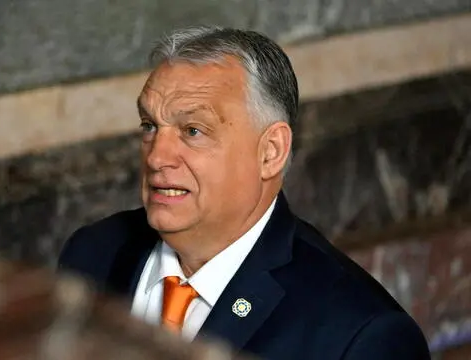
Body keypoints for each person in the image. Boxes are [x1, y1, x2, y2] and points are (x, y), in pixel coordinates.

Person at [57, 26, 431, 359]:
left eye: (193, 131)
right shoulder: (92, 253)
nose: (157, 157)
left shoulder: (362, 336)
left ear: (270, 152)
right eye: (150, 126)